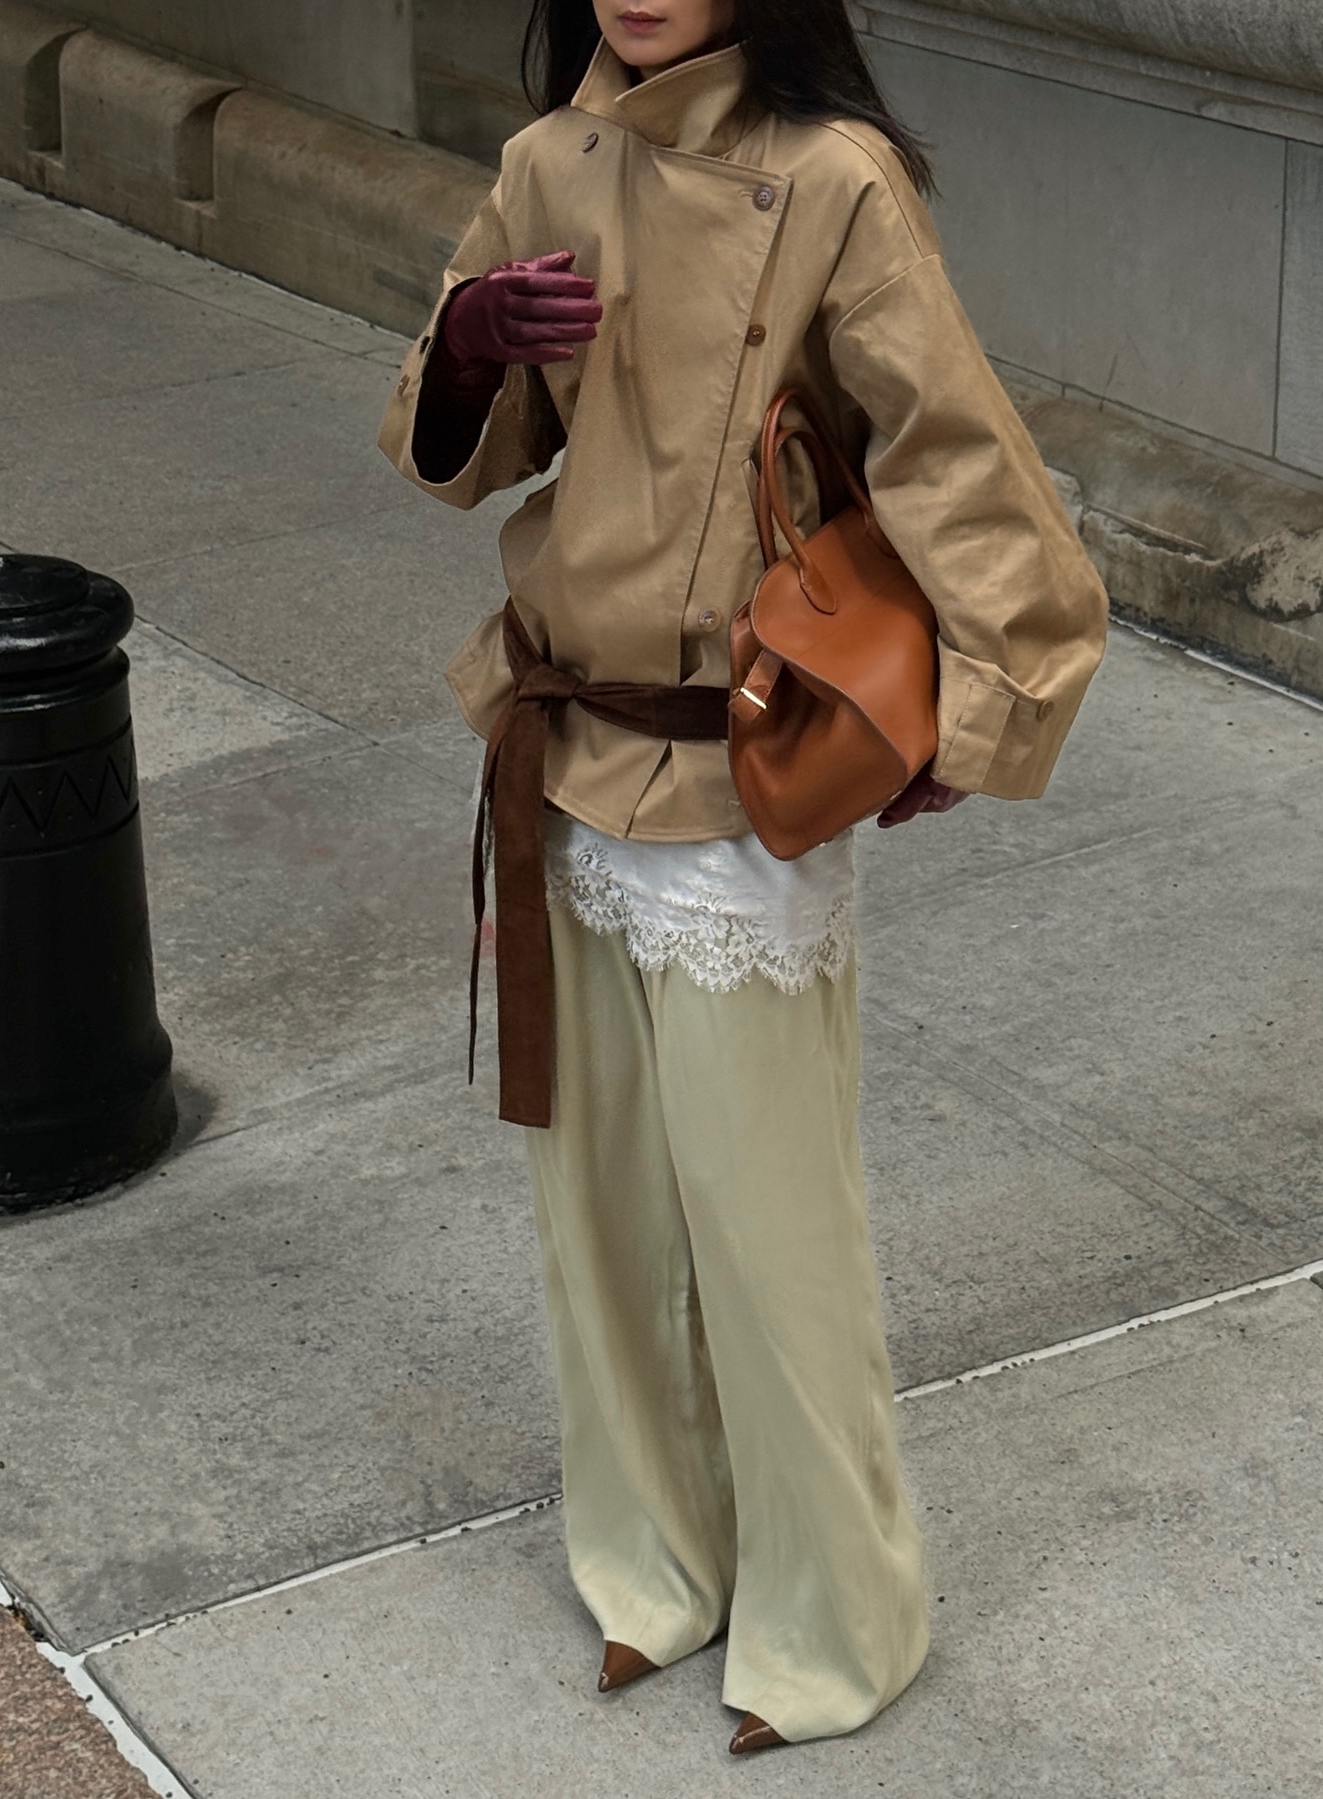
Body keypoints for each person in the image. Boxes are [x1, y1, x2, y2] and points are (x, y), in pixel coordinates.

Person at [379, 0, 1108, 1755]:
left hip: (733, 779)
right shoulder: (548, 158)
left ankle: (832, 1618)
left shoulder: (831, 178)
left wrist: (978, 716)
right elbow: (458, 443)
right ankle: (653, 1567)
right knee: (603, 1222)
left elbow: (952, 452)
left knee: (774, 1244)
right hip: (562, 753)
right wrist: (471, 344)